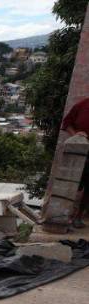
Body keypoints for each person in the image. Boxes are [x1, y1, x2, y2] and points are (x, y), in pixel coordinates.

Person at [61, 96, 89, 228]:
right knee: (73, 184)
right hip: (78, 151)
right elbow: (67, 124)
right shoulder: (82, 105)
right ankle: (65, 215)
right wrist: (76, 135)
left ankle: (78, 216)